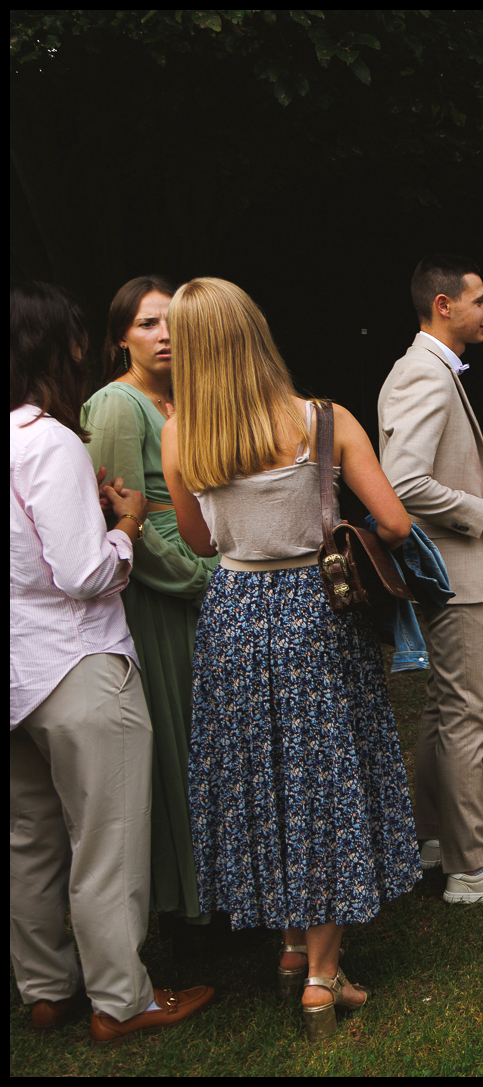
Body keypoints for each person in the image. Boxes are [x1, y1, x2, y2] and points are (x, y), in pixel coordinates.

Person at [163, 277, 419, 1040]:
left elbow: (201, 543)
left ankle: (285, 941)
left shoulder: (181, 436)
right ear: (255, 333)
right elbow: (397, 522)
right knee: (325, 775)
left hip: (236, 617)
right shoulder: (321, 421)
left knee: (265, 774)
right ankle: (320, 975)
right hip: (317, 609)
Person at [11, 280, 215, 1043]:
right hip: (78, 662)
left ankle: (46, 987)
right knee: (106, 834)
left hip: (15, 669)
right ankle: (123, 998)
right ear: (56, 346)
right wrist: (125, 521)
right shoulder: (52, 439)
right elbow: (85, 573)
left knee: (29, 838)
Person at [377, 255, 483, 903]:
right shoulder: (423, 374)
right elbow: (403, 483)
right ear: (443, 305)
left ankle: (436, 836)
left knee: (442, 712)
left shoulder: (429, 369)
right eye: (480, 300)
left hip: (451, 570)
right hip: (455, 570)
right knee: (464, 716)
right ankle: (474, 866)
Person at [82, 275, 220, 926]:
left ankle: (225, 889)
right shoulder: (116, 405)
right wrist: (201, 579)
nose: (164, 335)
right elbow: (124, 519)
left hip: (209, 572)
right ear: (120, 339)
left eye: (172, 321)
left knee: (212, 741)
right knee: (178, 743)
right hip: (162, 595)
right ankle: (187, 907)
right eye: (146, 324)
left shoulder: (191, 400)